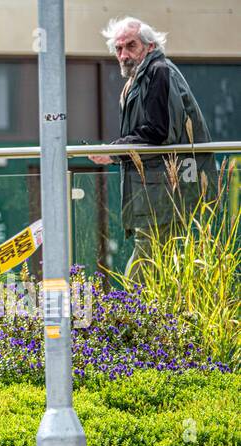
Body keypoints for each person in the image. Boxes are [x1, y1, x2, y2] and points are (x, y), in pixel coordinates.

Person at [88, 17, 213, 278]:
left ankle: (130, 307)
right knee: (158, 266)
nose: (123, 55)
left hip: (166, 190)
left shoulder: (159, 71)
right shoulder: (139, 79)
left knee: (143, 267)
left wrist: (114, 151)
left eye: (131, 46)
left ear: (150, 46)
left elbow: (159, 133)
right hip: (155, 190)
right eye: (118, 49)